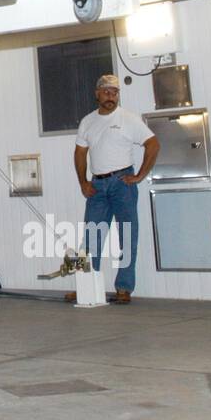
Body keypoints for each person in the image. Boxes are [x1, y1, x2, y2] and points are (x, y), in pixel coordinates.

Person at [70, 74, 159, 304]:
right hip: (97, 186)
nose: (111, 96)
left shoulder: (128, 119)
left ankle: (124, 288)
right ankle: (86, 286)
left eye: (115, 92)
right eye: (107, 92)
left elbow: (153, 144)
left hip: (122, 184)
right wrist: (83, 182)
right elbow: (80, 153)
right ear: (97, 93)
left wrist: (139, 175)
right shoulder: (87, 121)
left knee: (128, 236)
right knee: (90, 238)